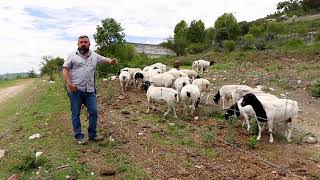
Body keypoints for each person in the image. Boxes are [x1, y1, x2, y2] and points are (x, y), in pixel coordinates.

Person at [62, 35, 117, 145]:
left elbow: (104, 59)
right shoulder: (72, 56)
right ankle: (79, 136)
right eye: (81, 42)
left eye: (85, 42)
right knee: (76, 114)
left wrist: (111, 61)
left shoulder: (94, 55)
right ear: (78, 44)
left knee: (94, 111)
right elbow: (65, 69)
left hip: (90, 91)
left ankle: (93, 135)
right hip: (75, 90)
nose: (83, 44)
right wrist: (69, 84)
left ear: (89, 44)